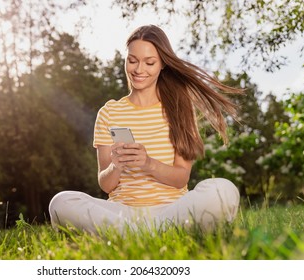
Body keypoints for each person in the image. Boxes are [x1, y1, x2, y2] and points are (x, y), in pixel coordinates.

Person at [49, 24, 242, 234]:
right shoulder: (109, 112)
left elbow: (181, 178)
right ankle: (150, 233)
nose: (139, 70)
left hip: (171, 210)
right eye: (132, 61)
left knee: (223, 190)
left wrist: (148, 163)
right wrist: (116, 166)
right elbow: (105, 185)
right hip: (121, 213)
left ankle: (136, 234)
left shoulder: (179, 108)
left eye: (149, 63)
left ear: (162, 65)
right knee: (61, 203)